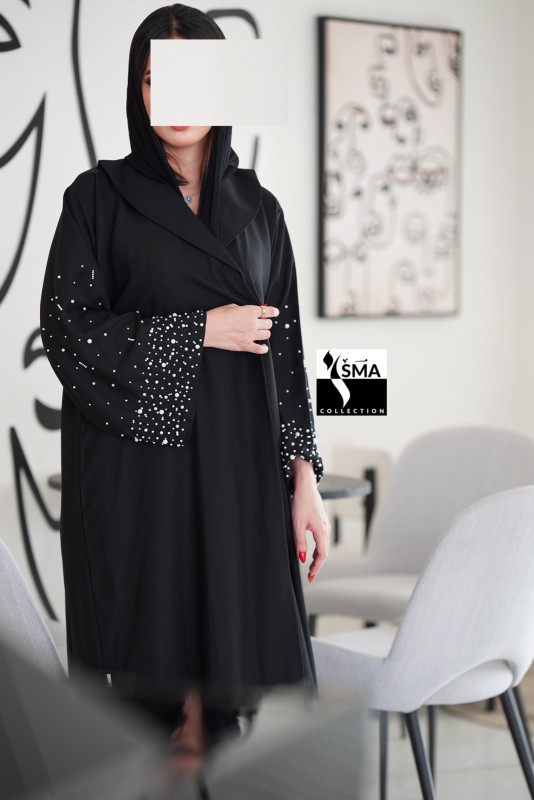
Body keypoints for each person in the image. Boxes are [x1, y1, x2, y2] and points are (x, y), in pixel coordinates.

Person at [40, 2, 330, 770]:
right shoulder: (95, 199)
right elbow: (68, 330)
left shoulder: (261, 209)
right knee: (154, 679)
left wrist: (304, 476)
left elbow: (290, 348)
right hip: (141, 471)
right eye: (154, 79)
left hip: (241, 467)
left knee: (238, 677)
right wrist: (201, 328)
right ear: (136, 90)